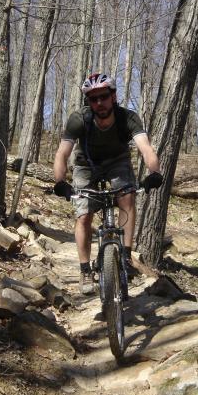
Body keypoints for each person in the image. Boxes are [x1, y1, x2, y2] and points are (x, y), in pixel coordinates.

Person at [53, 72, 162, 295]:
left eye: (103, 96)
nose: (99, 103)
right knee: (83, 214)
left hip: (118, 162)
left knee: (127, 197)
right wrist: (60, 181)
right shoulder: (79, 119)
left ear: (113, 96)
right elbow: (62, 154)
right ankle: (85, 270)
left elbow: (146, 148)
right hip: (86, 164)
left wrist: (154, 172)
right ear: (88, 102)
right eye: (93, 99)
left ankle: (126, 256)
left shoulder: (127, 118)